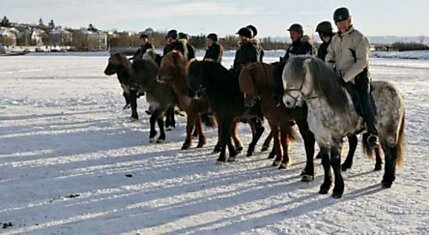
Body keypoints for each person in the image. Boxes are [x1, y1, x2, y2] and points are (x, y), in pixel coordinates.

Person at [325, 7, 379, 148]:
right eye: (338, 22)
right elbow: (330, 55)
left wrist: (346, 78)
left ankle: (372, 132)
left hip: (358, 77)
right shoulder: (335, 39)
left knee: (364, 99)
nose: (341, 25)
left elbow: (362, 62)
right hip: (339, 76)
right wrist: (329, 69)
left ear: (350, 21)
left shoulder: (359, 38)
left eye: (344, 21)